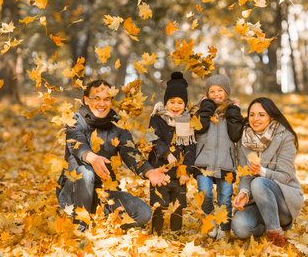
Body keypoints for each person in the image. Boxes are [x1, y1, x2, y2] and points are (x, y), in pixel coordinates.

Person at [56, 79, 168, 232]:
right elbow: (77, 144)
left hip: (104, 192)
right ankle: (80, 226)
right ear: (86, 100)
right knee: (86, 173)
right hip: (73, 192)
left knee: (143, 214)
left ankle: (100, 219)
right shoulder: (75, 120)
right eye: (97, 98)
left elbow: (130, 152)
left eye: (106, 99)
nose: (102, 103)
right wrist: (92, 158)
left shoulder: (118, 124)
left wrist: (149, 171)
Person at [231, 97, 304, 247]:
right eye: (252, 115)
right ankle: (266, 227)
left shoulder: (285, 137)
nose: (255, 119)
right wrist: (244, 193)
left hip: (283, 201)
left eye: (261, 115)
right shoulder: (244, 140)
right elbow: (245, 177)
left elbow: (284, 177)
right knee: (240, 228)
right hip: (258, 202)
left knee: (258, 182)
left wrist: (262, 172)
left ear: (271, 116)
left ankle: (275, 232)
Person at [194, 74, 244, 240]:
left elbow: (236, 135)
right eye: (212, 91)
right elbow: (198, 129)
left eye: (220, 90)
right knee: (205, 192)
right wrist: (204, 110)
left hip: (226, 163)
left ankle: (223, 228)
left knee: (225, 197)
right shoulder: (199, 109)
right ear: (207, 94)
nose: (216, 94)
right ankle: (210, 217)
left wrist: (235, 113)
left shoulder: (232, 111)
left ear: (226, 92)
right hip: (203, 162)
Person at [147, 72, 196, 235]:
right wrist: (167, 153)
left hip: (179, 173)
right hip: (160, 169)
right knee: (159, 203)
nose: (176, 106)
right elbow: (152, 139)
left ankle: (176, 232)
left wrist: (187, 171)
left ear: (185, 103)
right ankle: (157, 232)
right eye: (172, 102)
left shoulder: (187, 121)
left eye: (180, 102)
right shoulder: (156, 118)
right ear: (166, 102)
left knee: (178, 204)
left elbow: (190, 147)